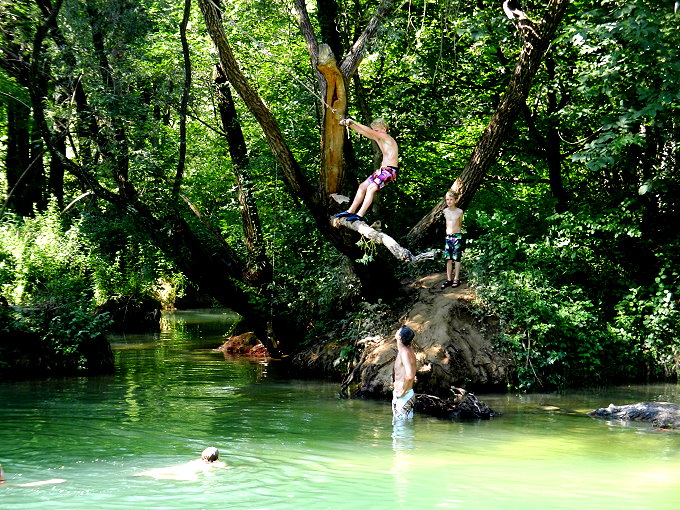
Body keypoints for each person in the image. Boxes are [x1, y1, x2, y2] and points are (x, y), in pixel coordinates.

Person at [334, 117, 399, 223]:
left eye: (376, 130)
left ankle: (360, 214)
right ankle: (351, 211)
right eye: (374, 130)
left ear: (384, 129)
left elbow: (368, 131)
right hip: (382, 170)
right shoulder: (379, 137)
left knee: (371, 188)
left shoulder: (387, 137)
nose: (374, 132)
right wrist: (350, 125)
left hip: (390, 171)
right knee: (362, 186)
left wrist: (354, 121)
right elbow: (364, 132)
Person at [135, 447, 227, 480]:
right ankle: (160, 477)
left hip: (185, 467)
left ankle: (143, 474)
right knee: (193, 478)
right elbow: (227, 469)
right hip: (192, 472)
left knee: (163, 470)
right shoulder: (218, 464)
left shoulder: (197, 461)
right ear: (217, 457)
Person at [392, 325, 417, 422]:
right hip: (403, 395)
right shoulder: (407, 351)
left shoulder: (404, 353)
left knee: (401, 430)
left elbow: (410, 375)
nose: (396, 331)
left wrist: (402, 392)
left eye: (398, 330)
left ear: (399, 337)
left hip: (403, 395)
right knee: (400, 431)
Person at [441, 190, 465, 289]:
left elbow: (459, 225)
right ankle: (448, 279)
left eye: (451, 199)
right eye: (447, 200)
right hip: (448, 237)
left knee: (456, 259)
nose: (449, 201)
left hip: (457, 236)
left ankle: (456, 278)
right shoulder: (445, 211)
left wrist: (458, 235)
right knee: (448, 259)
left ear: (455, 200)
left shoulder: (459, 211)